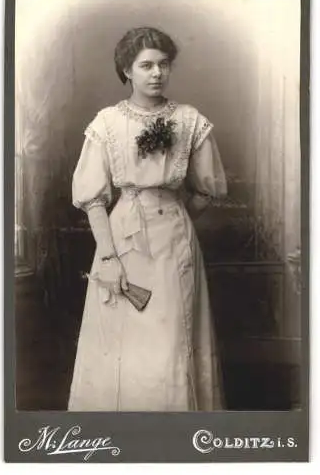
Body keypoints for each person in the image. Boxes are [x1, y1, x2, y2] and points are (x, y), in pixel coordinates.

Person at [68, 27, 228, 411]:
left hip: (173, 240)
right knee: (123, 339)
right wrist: (108, 257)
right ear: (126, 70)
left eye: (164, 64)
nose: (157, 73)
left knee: (172, 335)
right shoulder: (106, 123)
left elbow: (208, 189)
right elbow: (92, 199)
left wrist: (172, 217)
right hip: (120, 237)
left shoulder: (190, 120)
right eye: (146, 65)